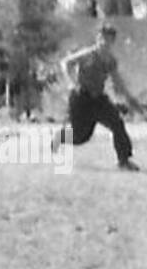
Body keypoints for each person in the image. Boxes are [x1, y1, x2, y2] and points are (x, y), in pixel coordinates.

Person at [56, 23, 142, 170]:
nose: (104, 42)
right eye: (102, 38)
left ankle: (124, 161)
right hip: (81, 97)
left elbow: (117, 82)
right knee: (80, 136)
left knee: (117, 124)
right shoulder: (87, 54)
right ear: (97, 39)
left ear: (112, 42)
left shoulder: (111, 61)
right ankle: (60, 138)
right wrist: (70, 82)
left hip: (98, 99)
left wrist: (130, 98)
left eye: (108, 39)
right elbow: (65, 63)